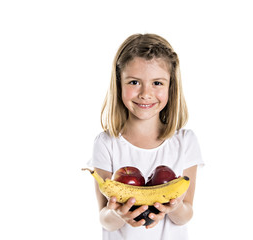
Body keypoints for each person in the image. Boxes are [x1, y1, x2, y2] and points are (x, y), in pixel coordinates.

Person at [87, 33, 204, 240]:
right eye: (134, 82)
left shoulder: (185, 141)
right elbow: (105, 218)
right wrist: (118, 214)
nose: (145, 93)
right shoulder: (106, 143)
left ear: (171, 86)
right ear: (119, 84)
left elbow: (185, 215)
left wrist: (173, 206)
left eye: (157, 83)